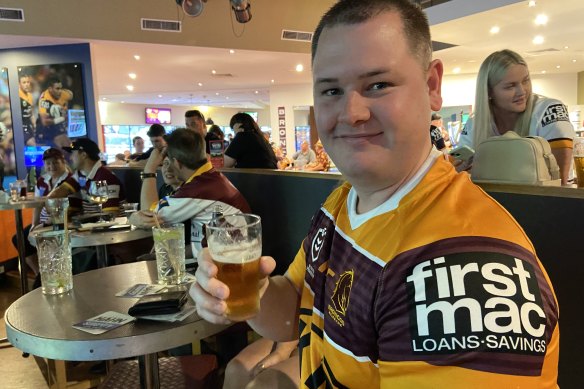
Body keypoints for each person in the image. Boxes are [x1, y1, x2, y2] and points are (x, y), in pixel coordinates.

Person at [192, 1, 560, 388]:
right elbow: (293, 305)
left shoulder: (465, 274)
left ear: (432, 86)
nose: (352, 112)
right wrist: (245, 291)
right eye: (332, 89)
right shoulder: (343, 201)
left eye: (378, 85)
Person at [458, 49, 575, 184]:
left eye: (525, 81)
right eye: (510, 86)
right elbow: (463, 174)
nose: (522, 91)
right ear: (489, 92)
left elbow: (560, 179)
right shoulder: (475, 123)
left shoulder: (550, 110)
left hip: (546, 201)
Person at [129, 128, 250, 259]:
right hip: (224, 258)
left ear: (177, 162)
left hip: (228, 268)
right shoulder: (209, 178)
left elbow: (147, 216)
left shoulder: (198, 189)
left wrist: (150, 169)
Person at [11, 148, 71, 276]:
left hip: (60, 221)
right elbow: (38, 206)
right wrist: (34, 224)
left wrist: (43, 225)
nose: (51, 166)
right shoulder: (42, 180)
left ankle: (52, 273)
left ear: (63, 162)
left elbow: (70, 207)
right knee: (19, 238)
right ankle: (38, 272)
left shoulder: (70, 180)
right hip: (44, 221)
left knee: (43, 239)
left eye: (55, 162)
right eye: (48, 163)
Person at [50, 138, 124, 216]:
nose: (71, 158)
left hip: (109, 225)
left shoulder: (104, 176)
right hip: (90, 224)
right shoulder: (80, 174)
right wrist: (46, 200)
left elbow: (110, 215)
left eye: (73, 153)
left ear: (83, 155)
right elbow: (63, 190)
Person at [223, 339, 299, 389]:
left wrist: (282, 352)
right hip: (296, 328)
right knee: (236, 370)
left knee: (265, 385)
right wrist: (282, 350)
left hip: (310, 339)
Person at [35, 76, 73, 149]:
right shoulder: (45, 99)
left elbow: (70, 95)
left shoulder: (64, 94)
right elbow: (45, 122)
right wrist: (62, 118)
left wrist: (65, 109)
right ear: (50, 89)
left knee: (70, 146)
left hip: (60, 127)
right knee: (65, 149)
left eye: (61, 88)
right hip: (46, 130)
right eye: (57, 89)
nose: (60, 91)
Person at [18, 74, 36, 146]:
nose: (26, 84)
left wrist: (35, 125)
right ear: (19, 84)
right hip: (20, 127)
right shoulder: (16, 95)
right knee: (32, 144)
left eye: (28, 82)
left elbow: (31, 114)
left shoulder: (30, 96)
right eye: (24, 82)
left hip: (29, 127)